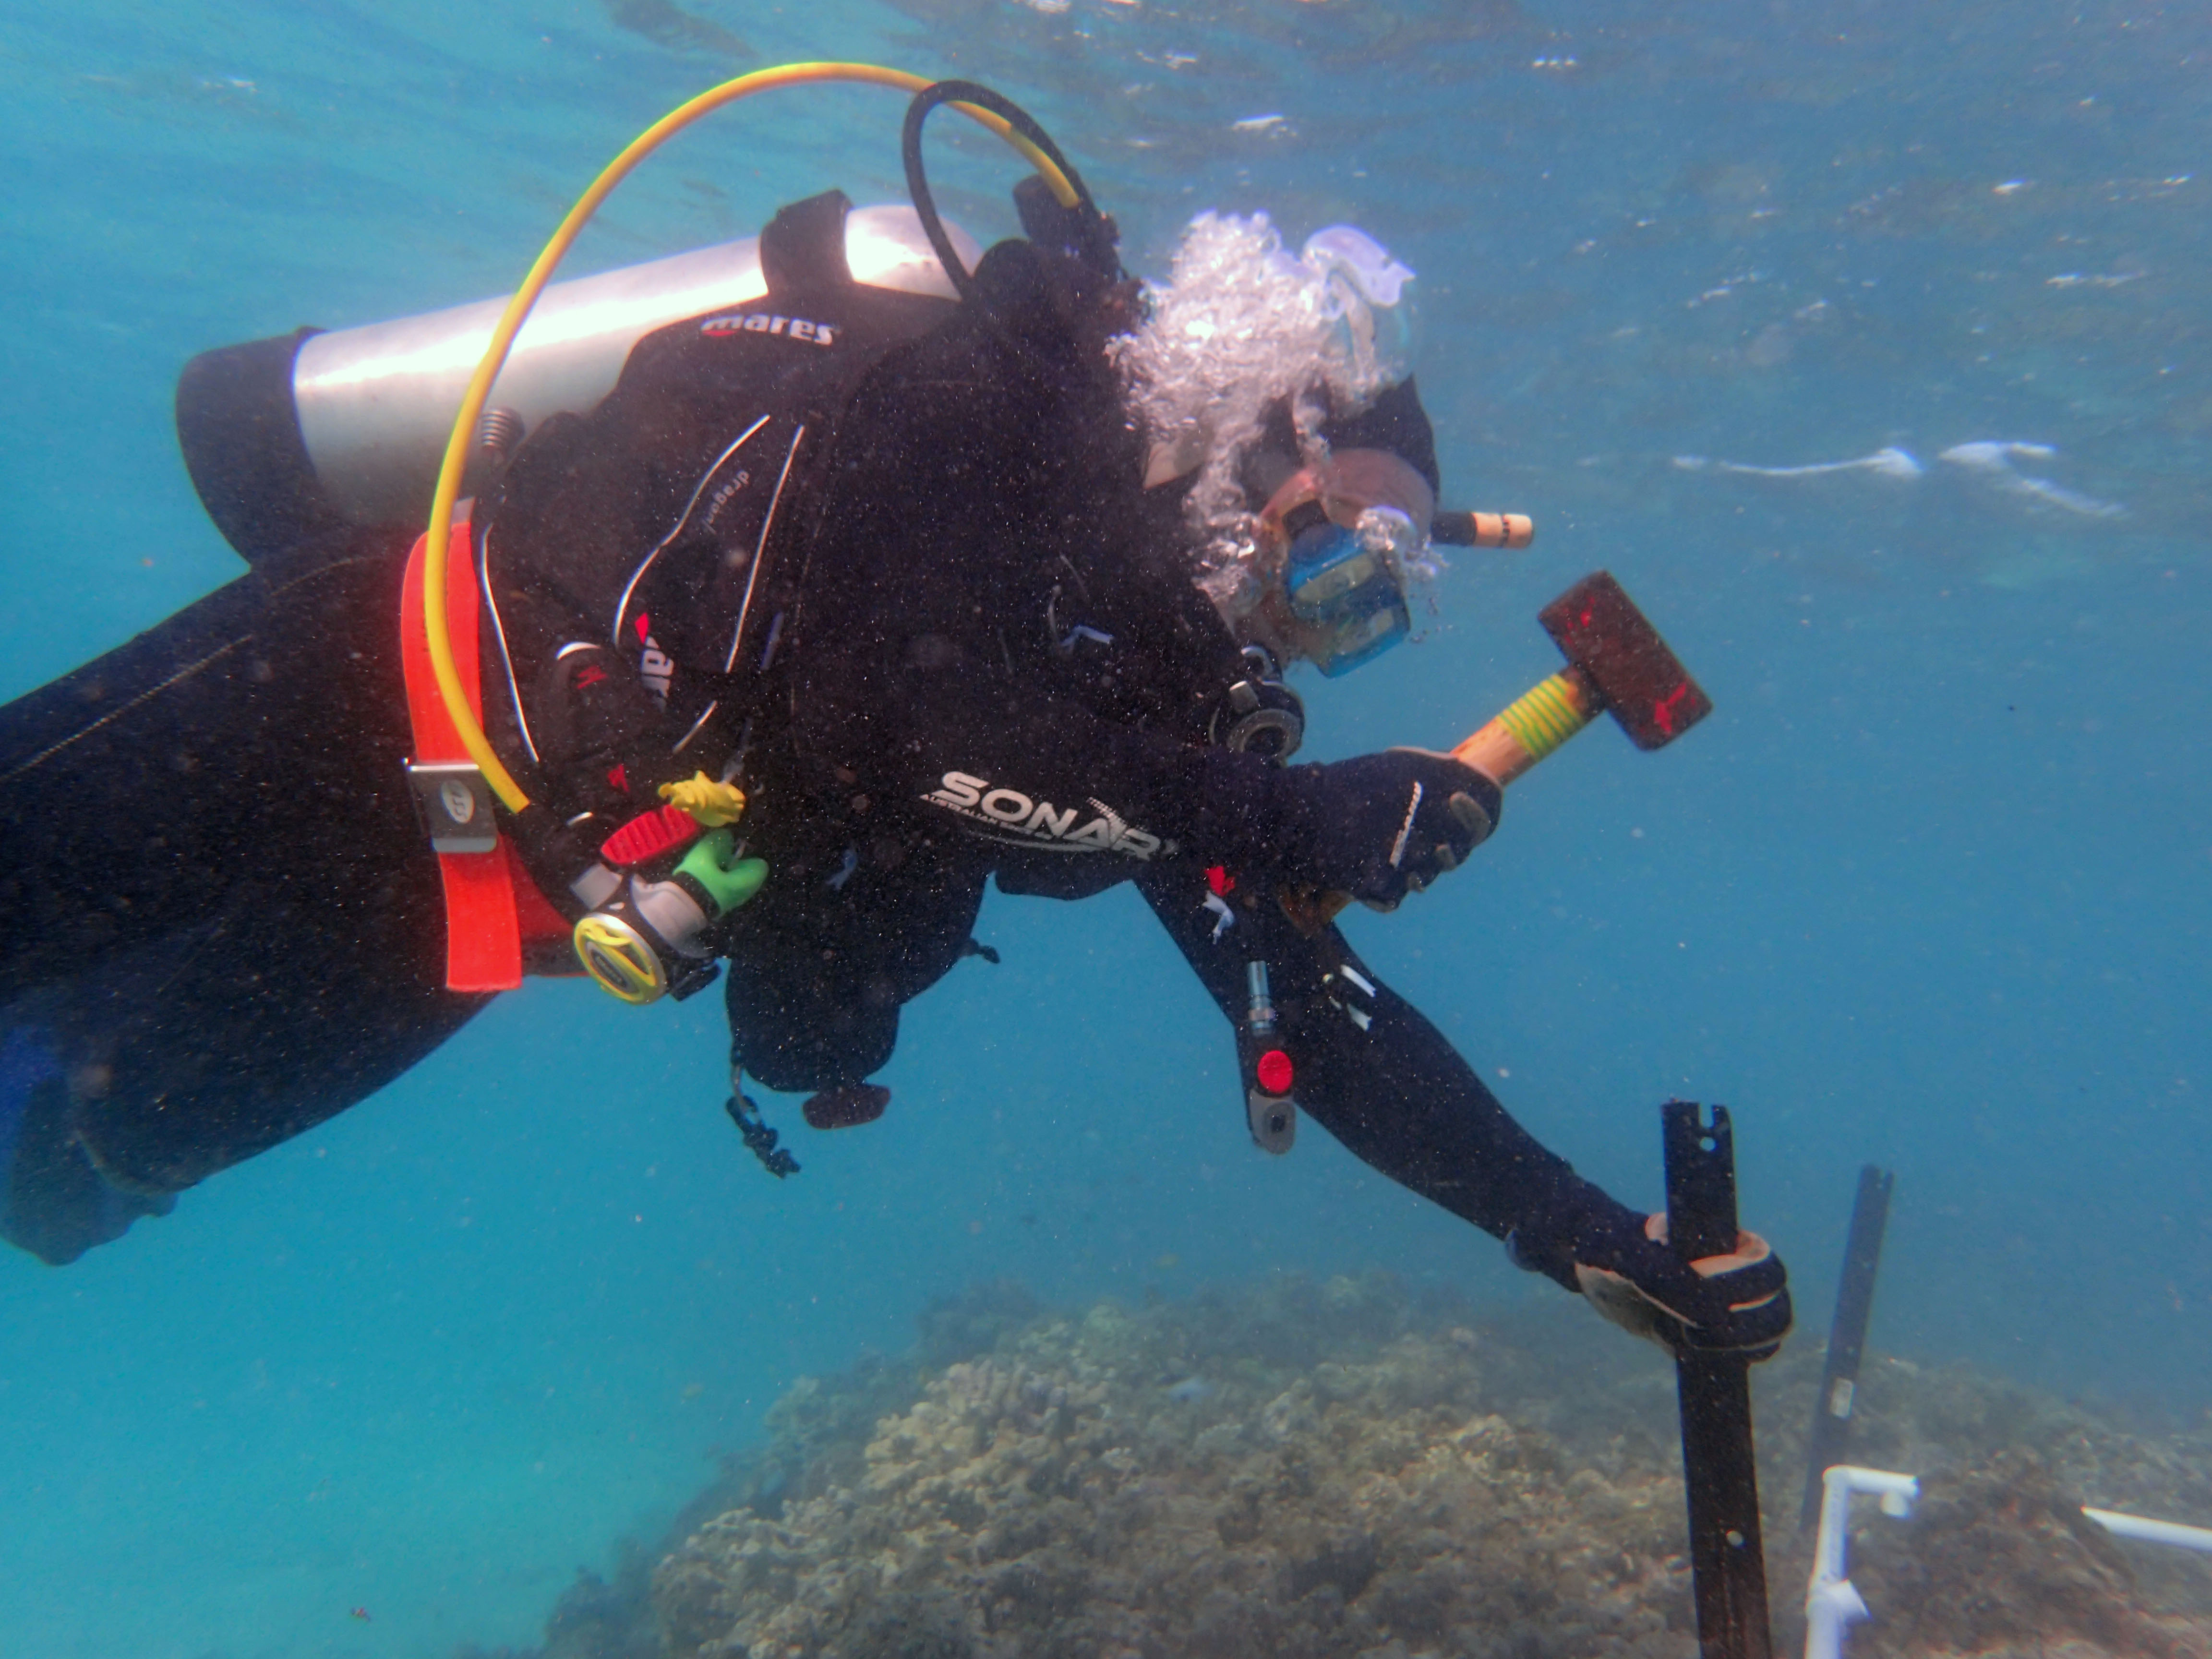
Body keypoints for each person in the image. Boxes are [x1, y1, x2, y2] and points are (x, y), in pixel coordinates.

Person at [0, 163, 1788, 1365]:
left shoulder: (1152, 683)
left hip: (493, 896)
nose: (1305, 623)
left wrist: (1576, 1230)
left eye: (1373, 607)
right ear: (1252, 453)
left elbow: (1297, 993)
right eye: (1329, 558)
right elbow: (904, 726)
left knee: (72, 1159)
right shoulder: (985, 406)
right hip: (365, 680)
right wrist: (1283, 807)